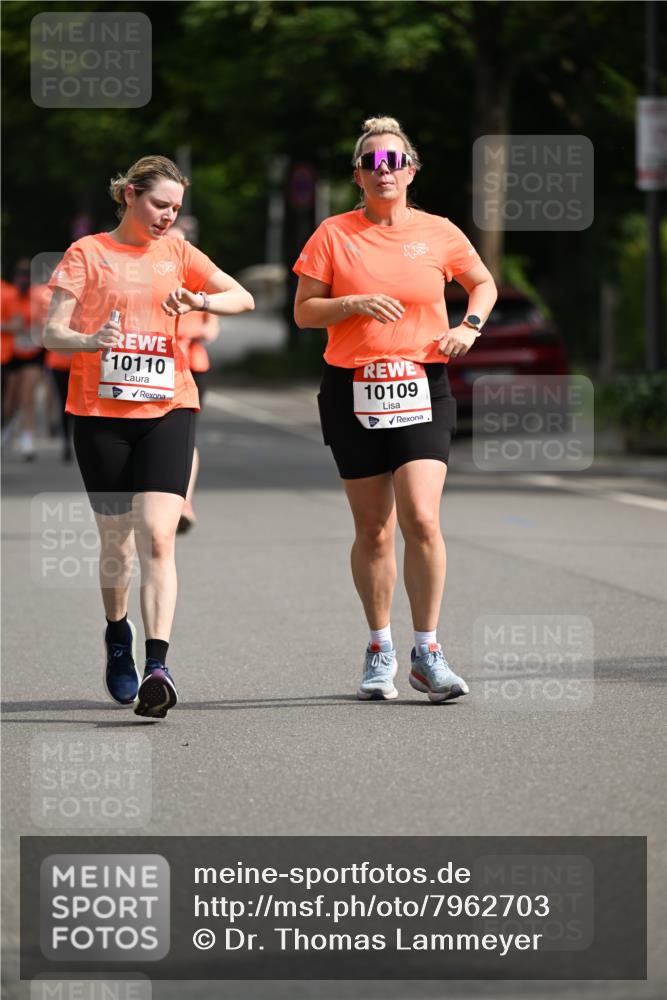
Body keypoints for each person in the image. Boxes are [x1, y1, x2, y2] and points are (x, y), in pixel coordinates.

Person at [294, 116, 497, 703]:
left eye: (394, 162)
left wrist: (470, 328)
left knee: (423, 518)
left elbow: (481, 283)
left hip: (422, 383)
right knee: (375, 530)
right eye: (372, 164)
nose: (384, 172)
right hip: (351, 387)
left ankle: (428, 650)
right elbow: (306, 313)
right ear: (357, 175)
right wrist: (350, 302)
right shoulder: (333, 234)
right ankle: (380, 647)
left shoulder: (438, 232)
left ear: (411, 170)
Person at [44, 154, 254, 718]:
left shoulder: (178, 252)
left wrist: (200, 299)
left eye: (177, 208)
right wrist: (91, 342)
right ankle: (118, 635)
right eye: (160, 204)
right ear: (129, 195)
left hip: (169, 406)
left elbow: (243, 297)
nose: (168, 217)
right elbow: (52, 332)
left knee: (159, 536)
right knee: (117, 545)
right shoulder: (88, 252)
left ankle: (158, 667)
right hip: (99, 416)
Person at [169, 223, 220, 532]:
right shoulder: (151, 278)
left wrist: (188, 335)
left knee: (186, 435)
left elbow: (212, 329)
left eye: (180, 244)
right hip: (153, 369)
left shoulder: (202, 282)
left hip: (192, 367)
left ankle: (184, 501)